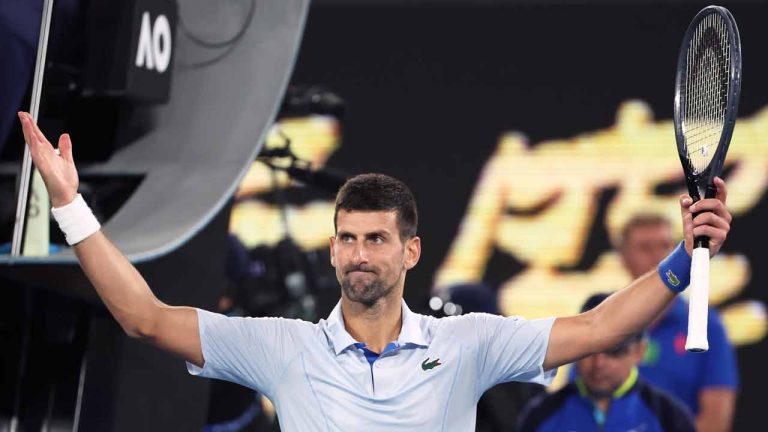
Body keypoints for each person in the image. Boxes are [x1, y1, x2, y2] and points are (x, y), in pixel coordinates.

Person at [16, 112, 732, 430]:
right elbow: (144, 318)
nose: (360, 253)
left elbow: (603, 325)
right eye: (348, 239)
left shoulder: (469, 345)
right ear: (332, 250)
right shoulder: (282, 349)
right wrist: (73, 207)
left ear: (410, 252)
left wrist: (683, 258)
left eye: (377, 240)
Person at [618, 213, 738, 432]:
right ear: (623, 258)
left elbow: (716, 422)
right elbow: (578, 405)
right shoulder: (606, 324)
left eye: (665, 246)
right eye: (645, 248)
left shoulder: (708, 325)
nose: (658, 256)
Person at [518, 292, 695, 432]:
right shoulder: (541, 414)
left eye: (614, 351)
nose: (598, 363)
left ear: (639, 351)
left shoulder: (669, 417)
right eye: (588, 350)